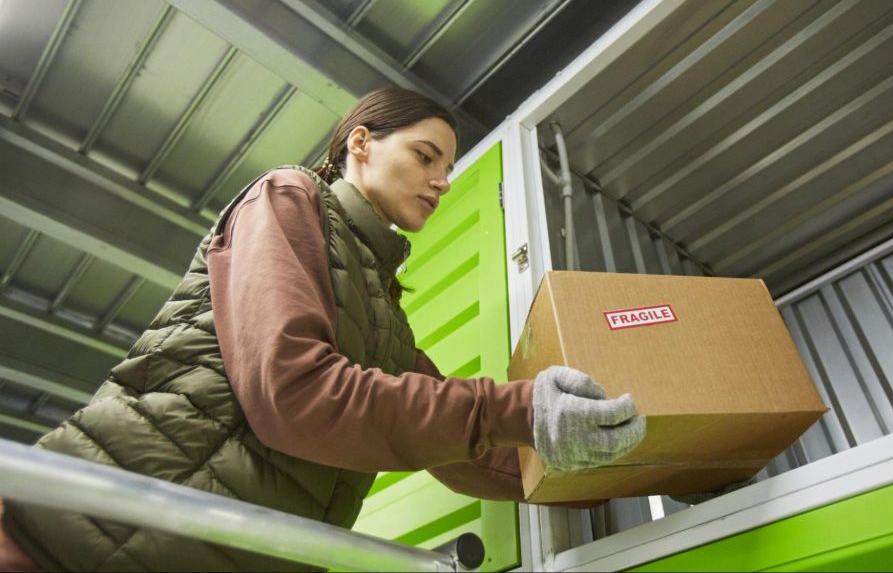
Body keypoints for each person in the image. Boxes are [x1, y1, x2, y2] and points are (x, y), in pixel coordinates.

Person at [0, 87, 646, 571]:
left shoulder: (385, 320)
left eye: (446, 168)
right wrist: (522, 405)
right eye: (426, 156)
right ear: (360, 143)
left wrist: (621, 462)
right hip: (65, 542)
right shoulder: (286, 199)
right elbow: (297, 394)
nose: (443, 182)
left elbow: (472, 452)